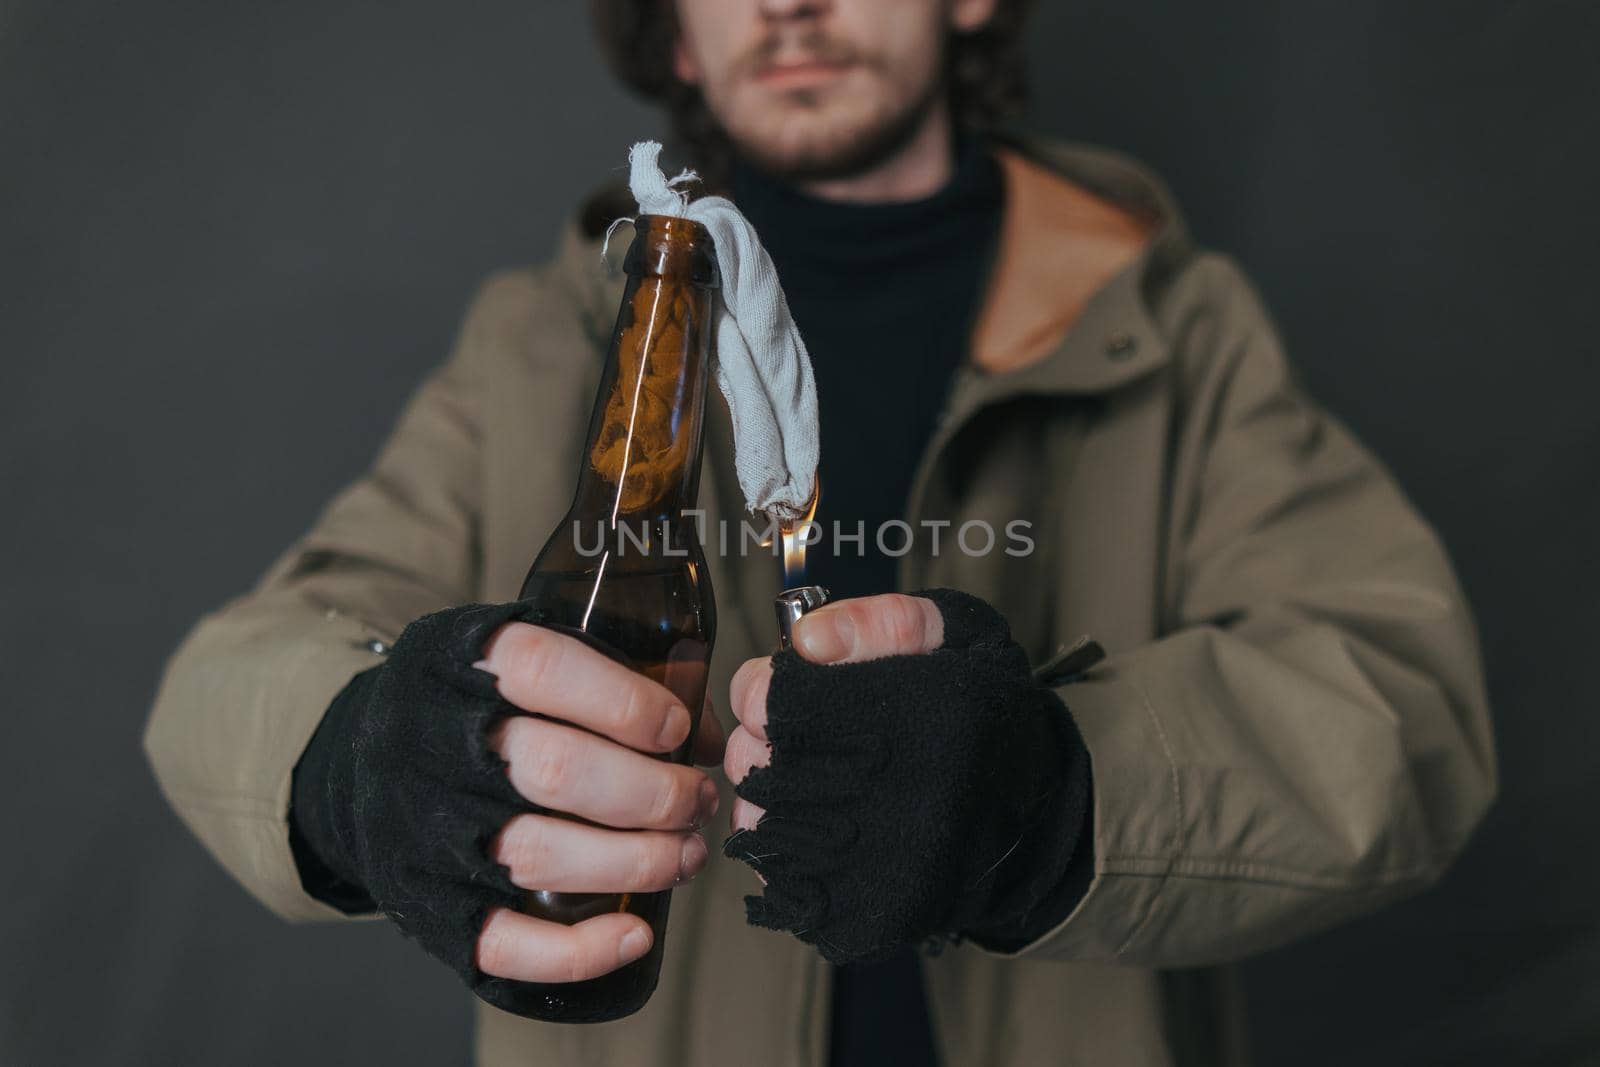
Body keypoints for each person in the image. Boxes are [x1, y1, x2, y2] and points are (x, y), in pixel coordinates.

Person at [143, 0, 1496, 1063]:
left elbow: (1400, 702)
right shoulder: (545, 338)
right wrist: (357, 763)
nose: (787, 1)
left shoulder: (1174, 329)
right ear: (675, 25)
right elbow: (235, 674)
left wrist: (1056, 796)